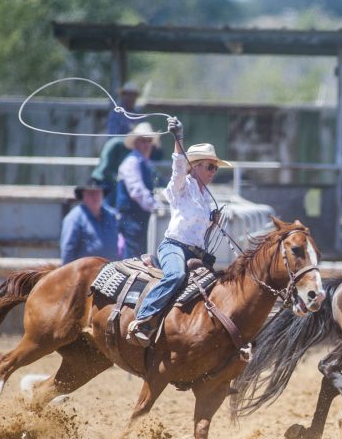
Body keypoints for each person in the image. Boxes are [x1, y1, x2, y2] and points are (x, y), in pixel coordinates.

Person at [128, 117, 232, 346]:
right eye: (210, 166)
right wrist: (178, 139)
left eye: (215, 167)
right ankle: (143, 318)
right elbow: (177, 167)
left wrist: (212, 222)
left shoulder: (206, 197)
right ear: (194, 166)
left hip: (196, 254)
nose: (214, 171)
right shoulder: (182, 186)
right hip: (174, 246)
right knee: (176, 275)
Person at [116, 122, 161, 259]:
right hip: (132, 218)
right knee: (133, 256)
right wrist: (157, 207)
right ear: (135, 143)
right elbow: (137, 191)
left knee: (140, 253)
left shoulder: (145, 163)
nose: (146, 144)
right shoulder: (132, 162)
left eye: (148, 141)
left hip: (140, 216)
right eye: (143, 141)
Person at [60, 180, 119, 264]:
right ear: (83, 196)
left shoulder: (112, 215)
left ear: (102, 194)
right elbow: (68, 249)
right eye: (90, 193)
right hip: (85, 272)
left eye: (97, 192)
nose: (95, 196)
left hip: (111, 270)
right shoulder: (74, 218)